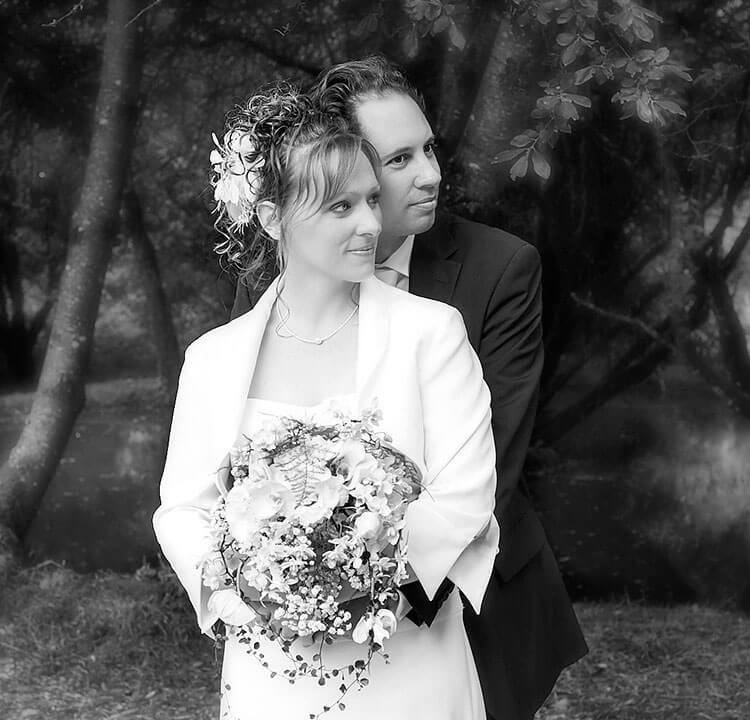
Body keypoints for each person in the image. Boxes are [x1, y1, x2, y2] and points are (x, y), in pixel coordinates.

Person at [232, 57, 587, 720]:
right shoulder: (276, 281)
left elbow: (492, 464)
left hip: (471, 599)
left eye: (428, 148)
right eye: (399, 160)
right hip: (299, 615)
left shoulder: (500, 269)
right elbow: (249, 453)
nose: (431, 174)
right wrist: (287, 580)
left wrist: (366, 593)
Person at [154, 84, 498, 719]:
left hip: (407, 662)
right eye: (341, 206)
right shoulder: (213, 359)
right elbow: (182, 509)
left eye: (372, 200)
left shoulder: (431, 333)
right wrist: (253, 590)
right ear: (271, 217)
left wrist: (361, 589)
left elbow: (465, 496)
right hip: (271, 667)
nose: (371, 224)